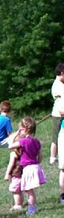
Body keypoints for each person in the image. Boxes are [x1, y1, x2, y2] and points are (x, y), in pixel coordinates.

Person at [5, 116, 46, 215]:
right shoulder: (37, 141)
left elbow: (10, 145)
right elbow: (40, 156)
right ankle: (32, 207)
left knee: (28, 190)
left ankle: (32, 209)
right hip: (36, 166)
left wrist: (17, 133)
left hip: (28, 168)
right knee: (29, 190)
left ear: (23, 129)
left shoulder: (23, 141)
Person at [50, 64, 64, 203]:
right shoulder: (57, 86)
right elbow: (61, 106)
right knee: (56, 138)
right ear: (60, 73)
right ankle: (53, 157)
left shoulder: (62, 84)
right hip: (59, 116)